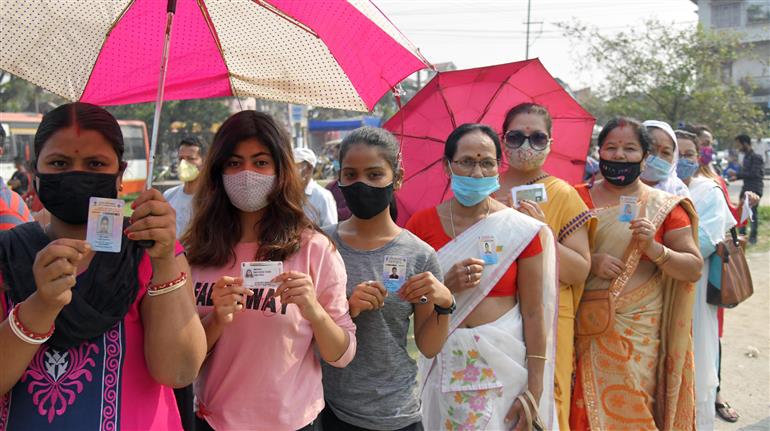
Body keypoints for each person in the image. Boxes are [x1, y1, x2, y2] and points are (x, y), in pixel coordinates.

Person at [0, 102, 207, 430]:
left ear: (119, 174)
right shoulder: (9, 253)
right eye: (59, 163)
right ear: (34, 171)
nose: (77, 173)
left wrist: (165, 261)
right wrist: (40, 307)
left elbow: (178, 371)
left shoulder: (149, 250)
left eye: (95, 163)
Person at [183, 111, 356, 431]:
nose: (246, 174)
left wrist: (315, 312)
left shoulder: (314, 249)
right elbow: (182, 361)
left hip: (293, 422)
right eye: (234, 163)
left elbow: (342, 355)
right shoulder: (196, 253)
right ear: (218, 171)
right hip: (215, 421)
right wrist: (216, 319)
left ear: (280, 170)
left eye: (260, 162)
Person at [406, 123, 558, 431]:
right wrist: (445, 286)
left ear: (498, 167)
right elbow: (409, 303)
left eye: (486, 162)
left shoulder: (519, 229)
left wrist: (536, 388)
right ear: (448, 166)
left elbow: (533, 312)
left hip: (506, 367)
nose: (477, 172)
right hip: (443, 362)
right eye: (466, 161)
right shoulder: (421, 225)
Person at [570, 117, 702, 430]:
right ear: (599, 152)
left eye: (629, 148)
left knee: (638, 411)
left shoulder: (664, 207)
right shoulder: (573, 199)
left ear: (644, 157)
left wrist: (656, 251)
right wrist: (590, 261)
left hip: (641, 337)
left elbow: (693, 267)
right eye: (611, 147)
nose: (619, 155)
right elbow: (548, 257)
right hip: (584, 328)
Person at [320, 126, 452, 431]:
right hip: (328, 410)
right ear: (339, 178)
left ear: (398, 177)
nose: (361, 183)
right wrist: (346, 310)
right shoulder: (321, 245)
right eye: (350, 175)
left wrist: (445, 303)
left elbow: (428, 346)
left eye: (374, 174)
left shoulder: (420, 255)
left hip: (396, 414)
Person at [496, 103, 594, 430]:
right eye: (517, 136)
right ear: (502, 139)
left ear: (550, 142)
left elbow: (579, 269)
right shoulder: (486, 192)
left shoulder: (564, 195)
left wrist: (543, 233)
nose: (526, 146)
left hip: (550, 319)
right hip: (495, 318)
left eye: (537, 137)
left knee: (546, 408)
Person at [674, 130, 736, 429]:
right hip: (654, 289)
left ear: (698, 158)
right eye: (676, 153)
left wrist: (660, 247)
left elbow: (703, 242)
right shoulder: (656, 187)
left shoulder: (707, 191)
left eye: (689, 154)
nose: (682, 160)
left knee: (696, 360)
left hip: (693, 290)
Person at [163, 135, 206, 238]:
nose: (183, 163)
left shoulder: (211, 200)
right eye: (181, 158)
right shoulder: (168, 196)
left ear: (204, 162)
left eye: (191, 159)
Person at [729, 134, 764, 245]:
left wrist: (738, 175)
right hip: (746, 188)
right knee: (741, 213)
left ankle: (753, 239)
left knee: (752, 214)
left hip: (754, 188)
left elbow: (754, 174)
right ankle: (741, 237)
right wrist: (737, 176)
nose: (738, 148)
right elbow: (746, 174)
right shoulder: (746, 157)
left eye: (739, 145)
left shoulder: (756, 157)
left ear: (745, 143)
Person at [640, 120, 690, 197]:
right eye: (651, 150)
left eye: (666, 153)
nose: (657, 157)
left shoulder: (678, 191)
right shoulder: (620, 186)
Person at [294, 147, 338, 227]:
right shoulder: (288, 194)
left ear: (309, 168)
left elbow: (331, 230)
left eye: (295, 166)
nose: (291, 170)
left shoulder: (323, 196)